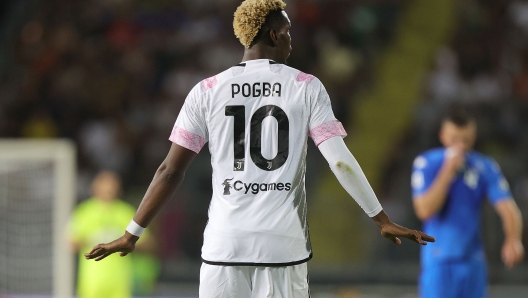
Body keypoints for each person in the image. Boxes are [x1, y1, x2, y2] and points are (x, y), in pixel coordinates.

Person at [84, 1, 435, 297]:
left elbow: (170, 170)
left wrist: (133, 234)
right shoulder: (306, 87)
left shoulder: (207, 90)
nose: (291, 43)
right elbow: (339, 161)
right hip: (283, 243)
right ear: (273, 35)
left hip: (225, 242)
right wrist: (381, 219)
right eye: (288, 33)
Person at [411, 106, 524, 298]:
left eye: (466, 140)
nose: (460, 146)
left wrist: (513, 239)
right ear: (442, 136)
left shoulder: (483, 166)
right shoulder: (427, 163)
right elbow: (424, 210)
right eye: (455, 139)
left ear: (474, 137)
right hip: (438, 260)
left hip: (473, 260)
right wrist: (448, 171)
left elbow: (507, 207)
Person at [69, 171, 157, 298]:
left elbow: (148, 243)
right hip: (92, 281)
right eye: (105, 186)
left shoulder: (125, 212)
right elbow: (71, 243)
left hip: (120, 281)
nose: (108, 190)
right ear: (95, 188)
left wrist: (126, 243)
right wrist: (94, 240)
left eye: (112, 186)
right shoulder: (84, 212)